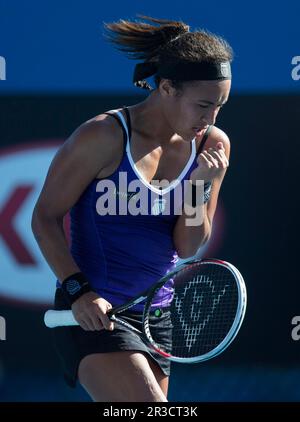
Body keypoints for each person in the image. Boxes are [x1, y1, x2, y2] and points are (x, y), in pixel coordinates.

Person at [31, 16, 232, 402]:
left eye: (220, 106)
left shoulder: (211, 146)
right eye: (203, 105)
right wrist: (79, 292)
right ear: (167, 88)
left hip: (157, 318)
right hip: (93, 313)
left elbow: (188, 247)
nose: (210, 119)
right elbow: (45, 217)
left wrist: (199, 185)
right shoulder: (101, 136)